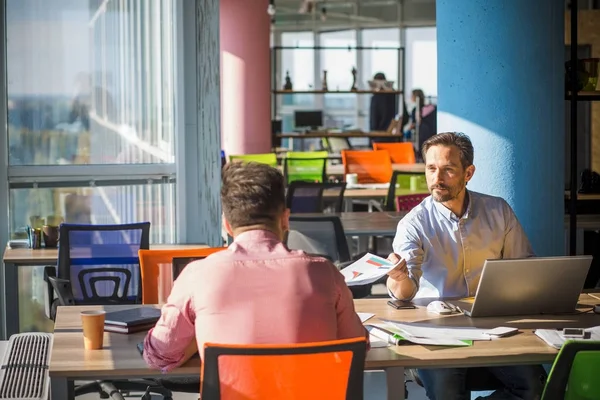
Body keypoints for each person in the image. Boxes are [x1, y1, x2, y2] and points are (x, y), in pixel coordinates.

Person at [143, 161, 367, 371]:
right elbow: (358, 345)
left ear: (227, 226)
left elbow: (159, 355)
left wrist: (196, 336)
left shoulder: (197, 276)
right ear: (285, 219)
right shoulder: (324, 273)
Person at [386, 132, 545, 400]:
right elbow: (404, 291)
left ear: (468, 172)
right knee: (449, 393)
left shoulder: (498, 211)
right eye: (431, 169)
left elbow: (524, 267)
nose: (437, 179)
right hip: (436, 334)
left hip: (494, 327)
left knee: (537, 388)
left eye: (448, 170)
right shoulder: (413, 223)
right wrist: (398, 277)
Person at [369, 72, 407, 143]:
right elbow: (405, 117)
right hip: (395, 138)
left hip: (379, 139)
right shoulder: (396, 96)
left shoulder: (376, 98)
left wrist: (372, 138)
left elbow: (373, 122)